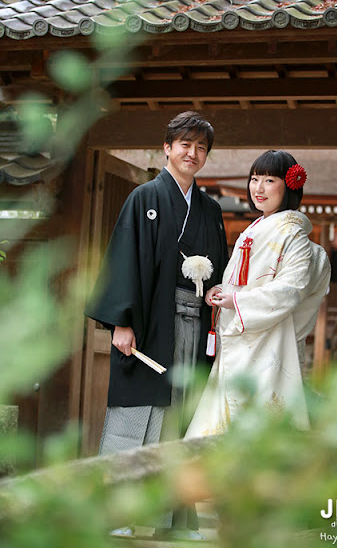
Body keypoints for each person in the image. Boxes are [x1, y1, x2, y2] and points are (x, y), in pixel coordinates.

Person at [85, 111, 228, 539]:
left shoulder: (210, 210)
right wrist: (121, 323)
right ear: (167, 147)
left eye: (201, 147)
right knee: (134, 414)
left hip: (192, 326)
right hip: (148, 326)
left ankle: (172, 517)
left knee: (178, 416)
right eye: (185, 144)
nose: (193, 153)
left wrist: (217, 296)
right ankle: (115, 514)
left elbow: (219, 270)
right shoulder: (144, 198)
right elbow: (125, 260)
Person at [185, 150, 331, 438]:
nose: (258, 188)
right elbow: (241, 282)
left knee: (257, 427)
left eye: (269, 180)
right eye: (254, 179)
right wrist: (222, 291)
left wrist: (237, 300)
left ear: (289, 185)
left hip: (270, 345)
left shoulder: (294, 237)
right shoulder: (253, 230)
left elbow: (291, 291)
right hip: (239, 340)